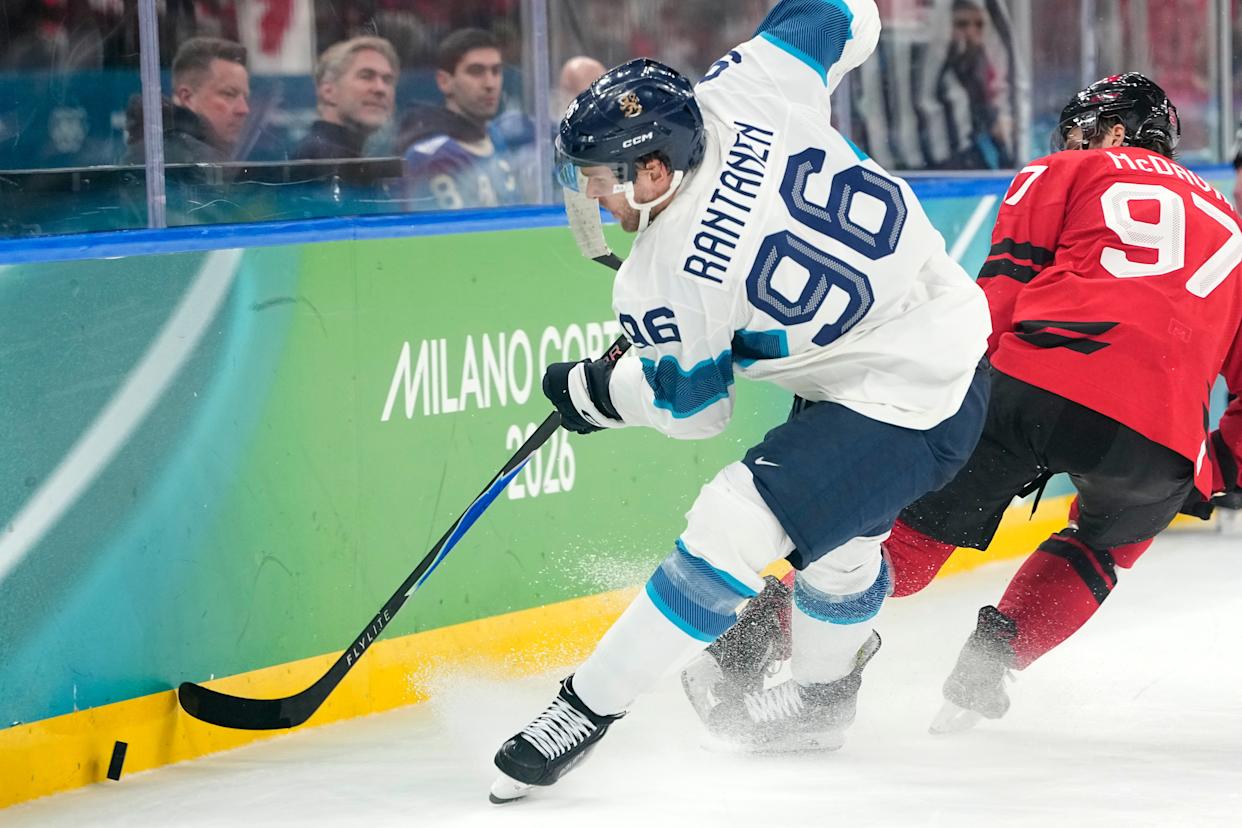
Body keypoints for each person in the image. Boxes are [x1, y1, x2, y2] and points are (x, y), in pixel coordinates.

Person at [488, 0, 992, 803]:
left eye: (599, 177)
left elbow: (695, 413)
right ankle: (824, 703)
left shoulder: (660, 278)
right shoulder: (746, 84)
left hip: (907, 395)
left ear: (654, 170)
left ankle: (581, 710)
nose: (590, 194)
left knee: (734, 520)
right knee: (841, 544)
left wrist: (598, 392)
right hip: (935, 335)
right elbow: (840, 14)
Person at [691, 73, 1242, 737]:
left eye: (1083, 128)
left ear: (1118, 131)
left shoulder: (1064, 172)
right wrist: (1214, 469)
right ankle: (991, 664)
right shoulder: (1235, 228)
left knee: (907, 549)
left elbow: (1001, 291)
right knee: (1109, 543)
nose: (1071, 140)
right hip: (1161, 437)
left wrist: (935, 378)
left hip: (1029, 383)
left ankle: (748, 649)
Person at [399, 28, 522, 211]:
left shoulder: (497, 137)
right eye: (476, 71)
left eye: (496, 71)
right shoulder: (431, 156)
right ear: (444, 82)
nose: (490, 83)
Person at [123, 37, 250, 164]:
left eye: (245, 97)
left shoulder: (161, 153)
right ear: (187, 98)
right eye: (229, 94)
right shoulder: (187, 162)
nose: (244, 109)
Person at [292, 36, 398, 160]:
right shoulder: (321, 158)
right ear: (328, 91)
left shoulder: (342, 155)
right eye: (366, 76)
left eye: (387, 80)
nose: (381, 89)